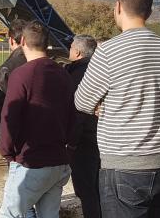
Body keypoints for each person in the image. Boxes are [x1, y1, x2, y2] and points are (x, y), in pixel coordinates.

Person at [75, 0, 160, 217]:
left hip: (125, 165)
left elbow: (82, 101)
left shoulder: (108, 50)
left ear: (118, 7)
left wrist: (103, 107)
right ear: (149, 11)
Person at [0, 21, 74, 218]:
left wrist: (7, 151)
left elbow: (10, 116)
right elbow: (73, 115)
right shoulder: (63, 73)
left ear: (22, 41)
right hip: (58, 160)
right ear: (47, 43)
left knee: (10, 215)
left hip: (31, 161)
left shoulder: (21, 74)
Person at [65, 34, 101, 218]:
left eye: (71, 47)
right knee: (99, 189)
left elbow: (78, 111)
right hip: (103, 138)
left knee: (86, 192)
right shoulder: (101, 70)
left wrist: (71, 142)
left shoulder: (75, 74)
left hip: (83, 141)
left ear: (77, 52)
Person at [0, 19, 28, 141]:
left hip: (17, 140)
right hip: (47, 140)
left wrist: (4, 142)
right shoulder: (51, 66)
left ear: (11, 40)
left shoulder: (5, 69)